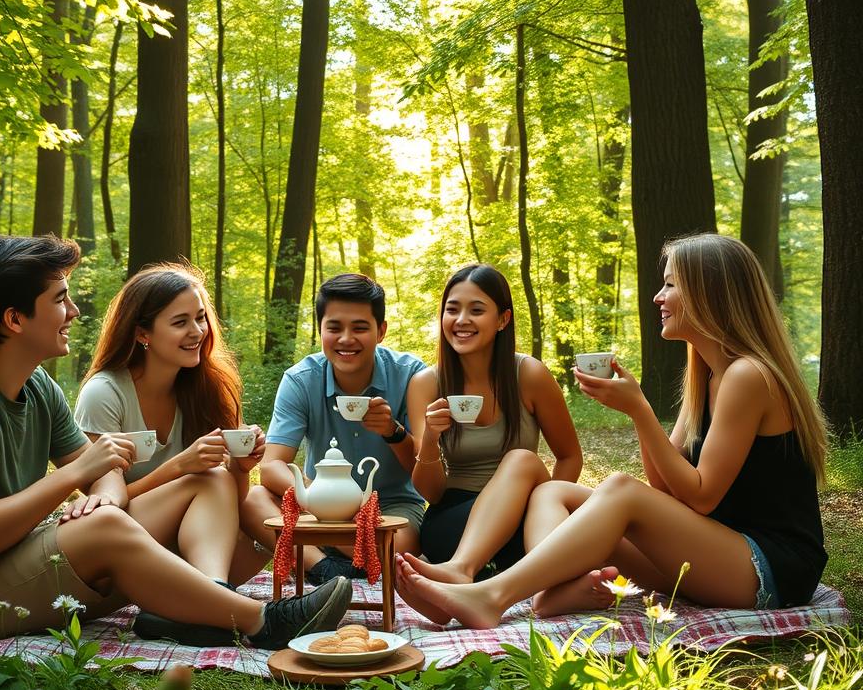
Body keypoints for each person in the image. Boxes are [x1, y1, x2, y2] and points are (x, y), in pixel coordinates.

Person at [0, 235, 351, 648]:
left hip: (15, 560)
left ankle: (206, 604)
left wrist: (104, 495)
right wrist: (79, 481)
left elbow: (102, 472)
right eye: (60, 300)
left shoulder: (38, 386)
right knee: (106, 525)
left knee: (204, 480)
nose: (74, 311)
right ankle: (261, 622)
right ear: (14, 319)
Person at [395, 234, 828, 627]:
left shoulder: (748, 375)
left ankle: (492, 596)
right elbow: (665, 489)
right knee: (551, 492)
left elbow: (701, 496)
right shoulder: (707, 375)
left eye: (671, 285)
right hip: (713, 555)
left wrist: (639, 409)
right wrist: (637, 412)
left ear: (710, 292)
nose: (658, 296)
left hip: (768, 568)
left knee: (620, 488)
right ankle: (549, 591)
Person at [73, 262, 268, 641]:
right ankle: (213, 603)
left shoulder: (210, 388)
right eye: (180, 322)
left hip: (193, 541)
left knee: (258, 524)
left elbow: (228, 501)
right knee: (207, 478)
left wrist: (241, 468)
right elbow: (100, 509)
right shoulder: (105, 393)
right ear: (142, 333)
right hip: (119, 538)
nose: (197, 331)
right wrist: (181, 466)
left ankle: (207, 602)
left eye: (200, 318)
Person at [241, 274, 426, 584]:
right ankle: (326, 569)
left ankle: (327, 558)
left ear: (381, 331)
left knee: (402, 545)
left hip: (389, 510)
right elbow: (271, 466)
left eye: (360, 328)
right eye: (335, 328)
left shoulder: (411, 375)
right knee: (253, 500)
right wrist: (320, 499)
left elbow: (425, 471)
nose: (346, 339)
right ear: (320, 330)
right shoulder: (301, 379)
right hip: (318, 511)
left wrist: (392, 432)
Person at [405, 264, 582, 585]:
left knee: (522, 460)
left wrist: (548, 509)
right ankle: (474, 566)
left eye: (476, 310)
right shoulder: (426, 383)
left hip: (525, 516)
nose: (461, 320)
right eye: (452, 310)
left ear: (503, 319)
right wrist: (430, 439)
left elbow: (569, 456)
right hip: (455, 522)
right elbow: (431, 492)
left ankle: (478, 571)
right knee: (523, 461)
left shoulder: (529, 374)